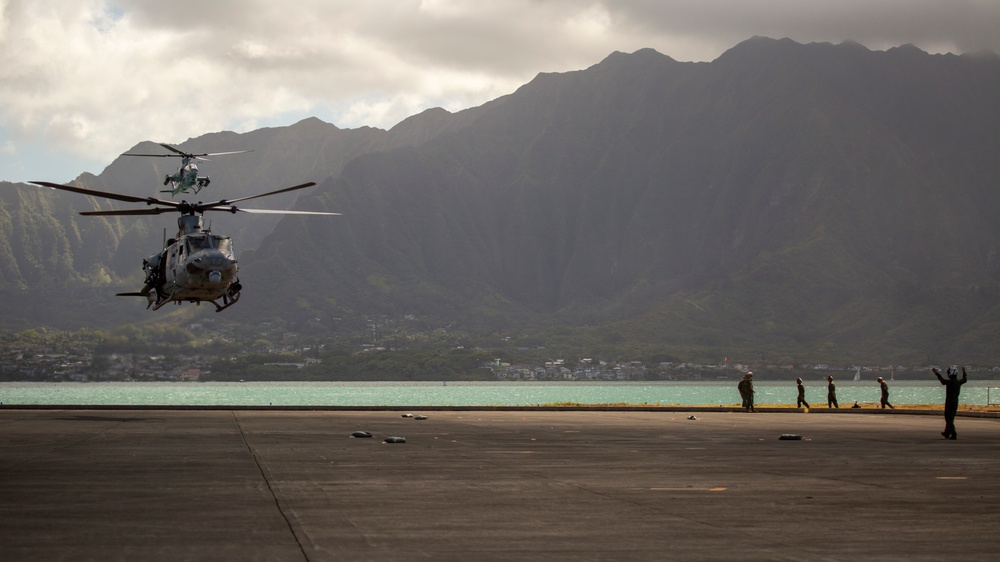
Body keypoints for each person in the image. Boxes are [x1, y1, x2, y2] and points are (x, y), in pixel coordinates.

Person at [933, 366, 967, 439]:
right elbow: (965, 379)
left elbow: (943, 381)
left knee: (948, 418)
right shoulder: (958, 382)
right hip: (955, 401)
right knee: (951, 418)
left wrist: (937, 373)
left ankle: (953, 434)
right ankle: (946, 433)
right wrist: (964, 372)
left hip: (949, 402)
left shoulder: (950, 382)